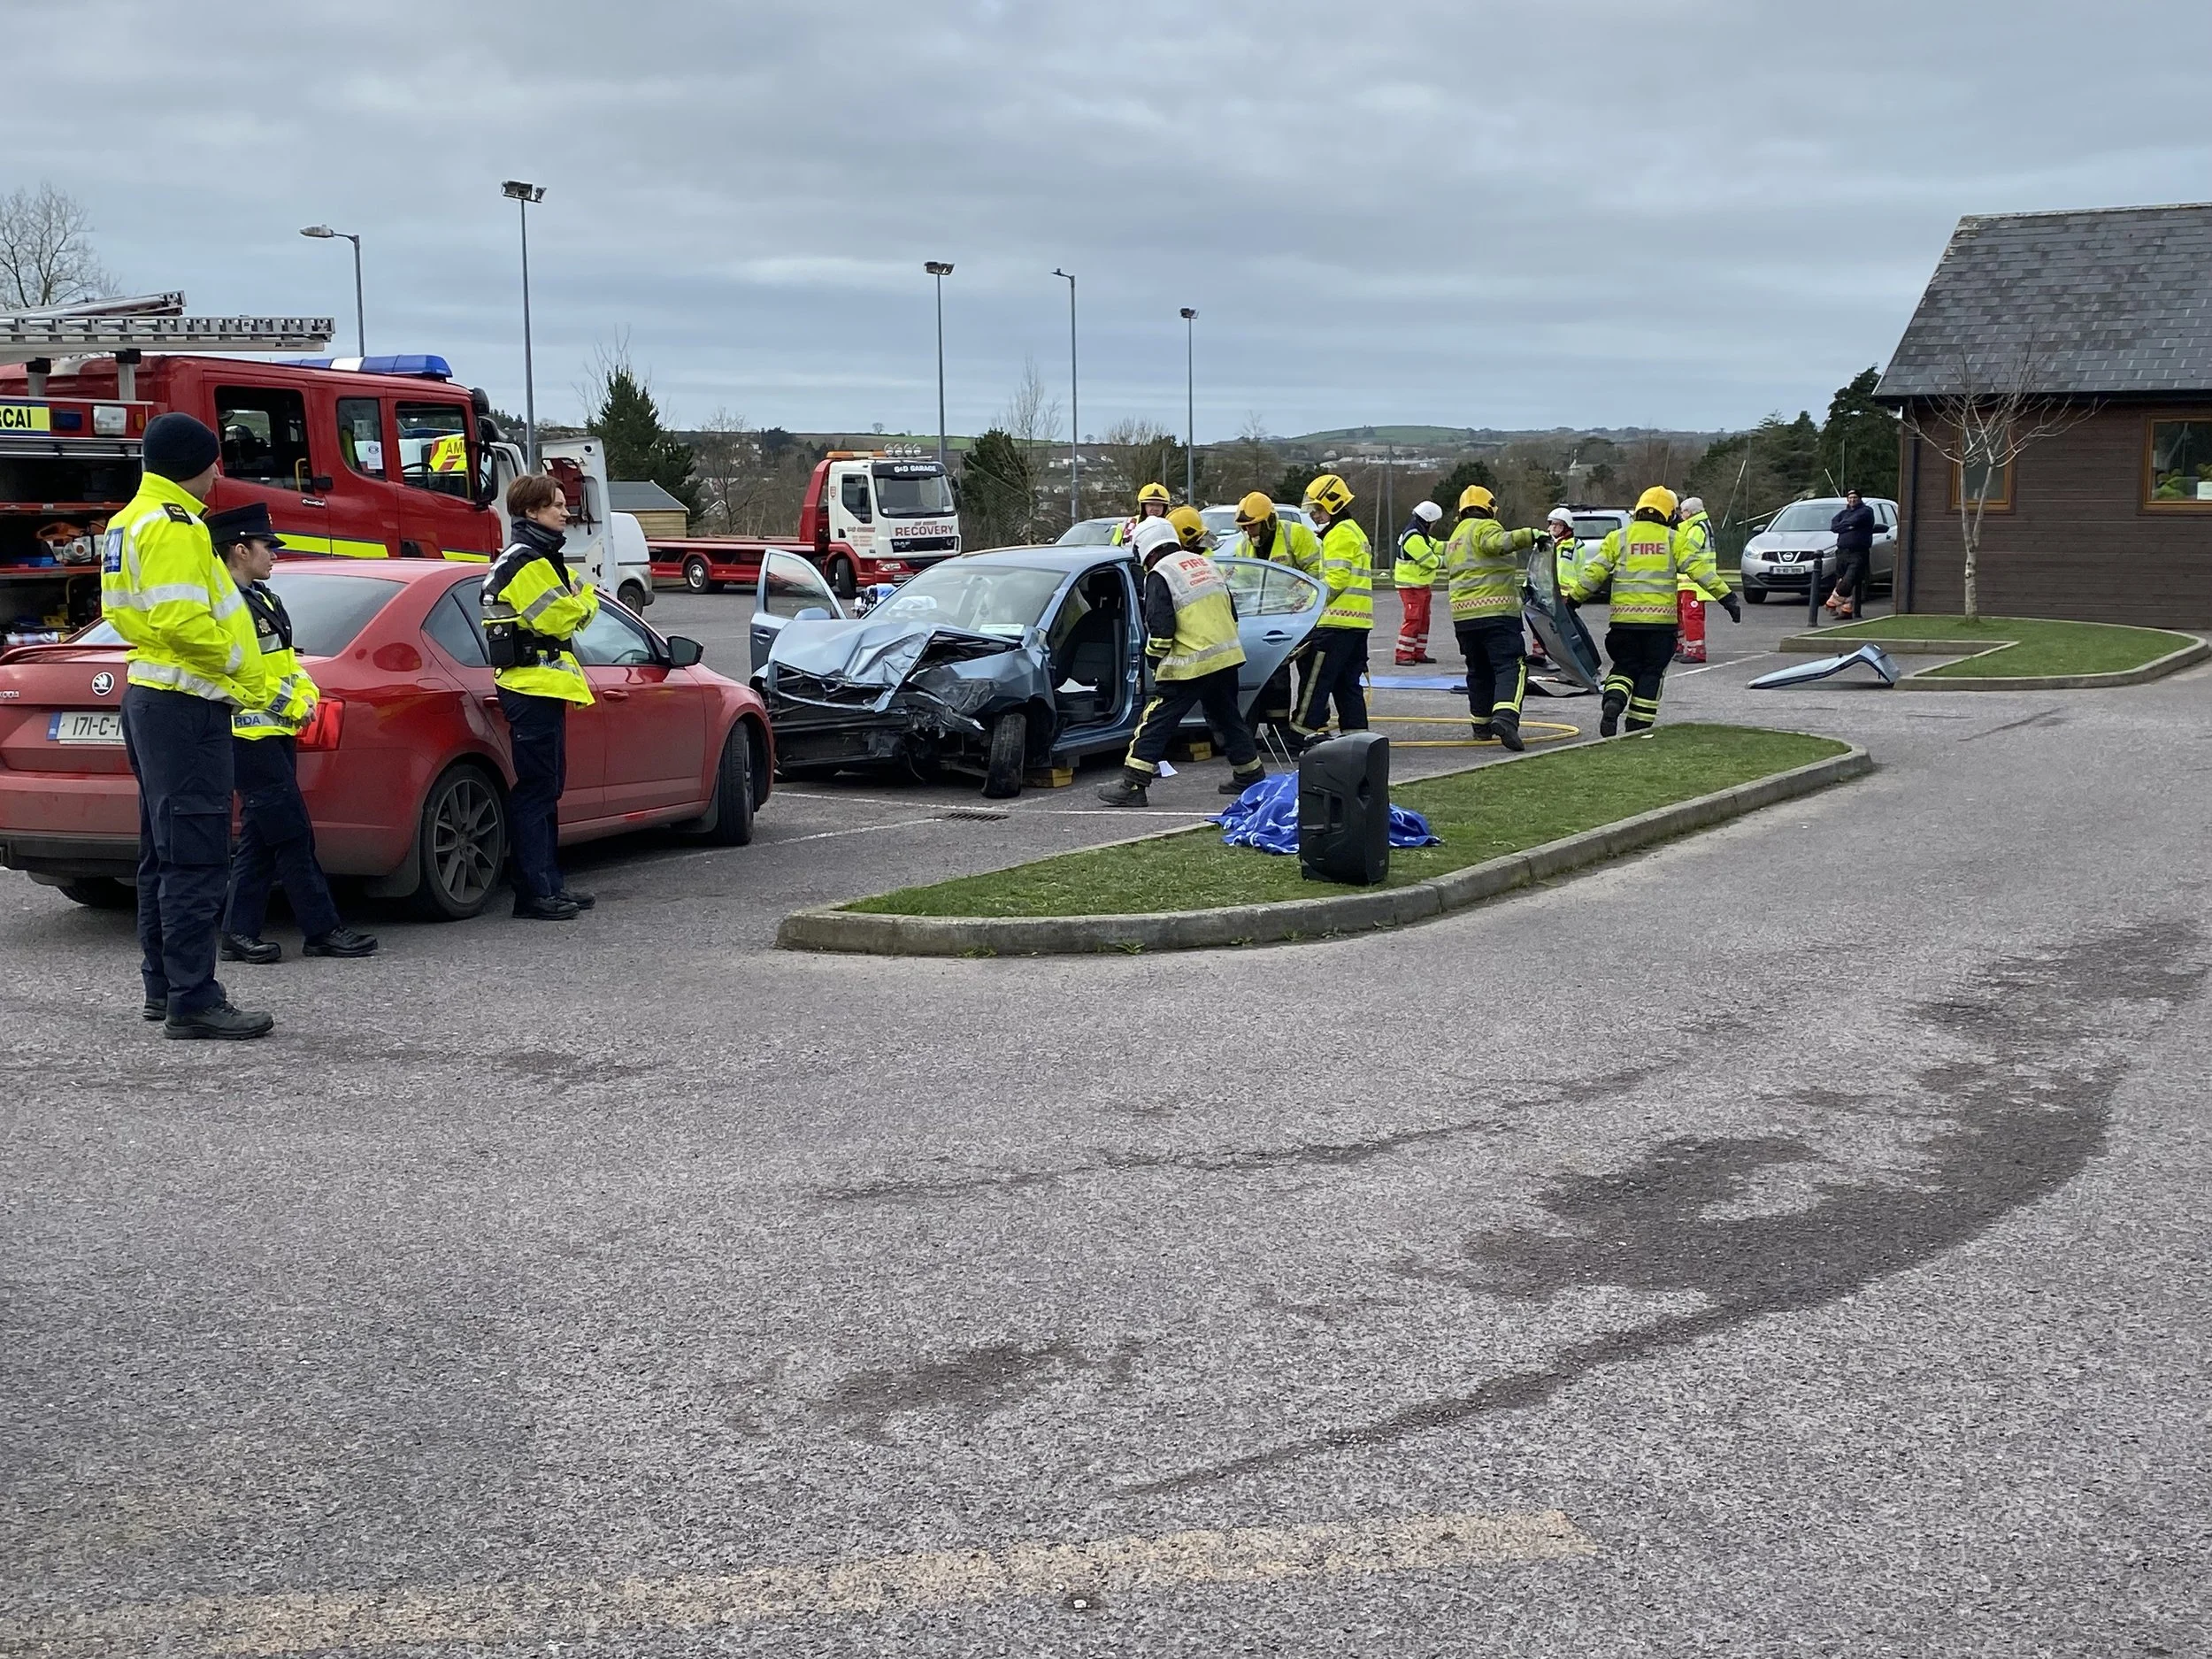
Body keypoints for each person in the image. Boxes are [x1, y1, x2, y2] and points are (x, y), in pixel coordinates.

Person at [99, 412, 274, 1040]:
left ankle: (164, 986)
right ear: (192, 465)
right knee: (195, 857)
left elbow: (123, 613)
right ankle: (194, 998)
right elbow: (184, 623)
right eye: (212, 461)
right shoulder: (175, 527)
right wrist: (244, 674)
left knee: (161, 855)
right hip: (187, 705)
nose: (217, 472)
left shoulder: (128, 521)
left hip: (152, 700)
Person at [204, 503, 379, 966]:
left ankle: (238, 932)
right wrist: (289, 705)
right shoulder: (222, 604)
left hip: (276, 732)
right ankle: (322, 929)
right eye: (267, 547)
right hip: (247, 735)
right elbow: (239, 674)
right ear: (239, 550)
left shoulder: (264, 599)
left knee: (265, 837)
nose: (274, 555)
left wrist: (304, 699)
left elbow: (286, 663)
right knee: (293, 834)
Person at [481, 473, 600, 919]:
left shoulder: (542, 559)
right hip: (529, 687)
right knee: (535, 791)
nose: (566, 512)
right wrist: (581, 601)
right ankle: (533, 893)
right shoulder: (527, 562)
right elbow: (562, 617)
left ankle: (550, 884)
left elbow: (583, 596)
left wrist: (580, 599)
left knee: (548, 788)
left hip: (544, 686)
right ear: (532, 512)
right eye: (557, 506)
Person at [1095, 513, 1266, 806]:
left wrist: (1152, 660)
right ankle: (1250, 776)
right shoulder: (1206, 564)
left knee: (1156, 720)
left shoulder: (1160, 575)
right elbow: (1232, 614)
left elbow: (1161, 630)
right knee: (1228, 718)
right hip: (1226, 657)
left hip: (1191, 664)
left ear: (1145, 549)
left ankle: (1134, 785)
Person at [1565, 486, 1738, 737]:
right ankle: (1638, 727)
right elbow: (1700, 571)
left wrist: (1573, 600)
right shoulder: (1673, 539)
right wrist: (1727, 597)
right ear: (1668, 514)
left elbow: (1595, 573)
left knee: (1623, 667)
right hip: (1660, 626)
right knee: (1651, 673)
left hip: (1623, 623)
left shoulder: (1619, 537)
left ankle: (1613, 702)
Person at [1440, 485, 1543, 750]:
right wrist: (1531, 535)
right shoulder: (1484, 527)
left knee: (1478, 671)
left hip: (1464, 618)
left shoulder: (1455, 537)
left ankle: (1482, 725)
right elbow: (1497, 543)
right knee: (1511, 666)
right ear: (1490, 508)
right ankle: (1506, 718)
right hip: (1496, 613)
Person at [1289, 472, 1371, 748]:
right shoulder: (1353, 531)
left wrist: (1308, 601)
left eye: (1318, 510)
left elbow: (1335, 580)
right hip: (1358, 624)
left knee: (1317, 680)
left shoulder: (1338, 535)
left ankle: (1301, 731)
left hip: (1336, 623)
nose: (1314, 516)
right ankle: (1357, 739)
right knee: (1348, 684)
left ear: (1333, 505)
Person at [1392, 500, 1445, 664]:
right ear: (1428, 520)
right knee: (1413, 619)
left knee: (1423, 620)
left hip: (1419, 584)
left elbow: (1435, 545)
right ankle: (1403, 654)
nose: (1435, 525)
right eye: (1435, 522)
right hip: (1411, 585)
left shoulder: (1419, 534)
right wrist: (1451, 560)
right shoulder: (1414, 537)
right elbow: (1430, 560)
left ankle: (1417, 652)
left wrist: (1456, 546)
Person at [1673, 495, 1724, 663]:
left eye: (1683, 511)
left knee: (1691, 617)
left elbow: (1687, 551)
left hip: (1695, 582)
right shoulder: (1696, 525)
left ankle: (1696, 651)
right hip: (1690, 582)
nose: (1682, 514)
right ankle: (1683, 647)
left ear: (1690, 512)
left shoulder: (1697, 528)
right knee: (1683, 616)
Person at [1825, 488, 1876, 618]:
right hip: (1842, 552)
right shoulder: (1843, 513)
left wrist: (1845, 526)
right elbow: (1834, 527)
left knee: (1849, 579)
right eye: (1850, 498)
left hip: (1858, 552)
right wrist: (1848, 527)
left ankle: (1832, 602)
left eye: (1855, 498)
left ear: (1860, 499)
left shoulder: (1866, 511)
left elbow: (1854, 521)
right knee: (1842, 580)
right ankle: (1846, 610)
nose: (1852, 500)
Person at [1110, 482, 1173, 547]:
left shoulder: (1171, 526)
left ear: (1165, 508)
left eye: (1159, 505)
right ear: (1143, 506)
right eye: (1151, 504)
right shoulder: (1125, 526)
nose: (1155, 508)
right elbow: (1113, 550)